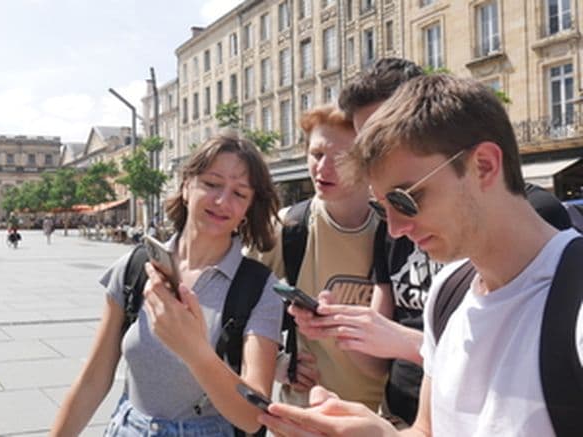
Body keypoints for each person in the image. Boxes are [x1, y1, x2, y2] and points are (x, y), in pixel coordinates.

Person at [259, 74, 583, 437]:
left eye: (405, 199)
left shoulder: (573, 302)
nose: (396, 229)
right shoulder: (448, 292)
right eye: (382, 209)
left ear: (485, 165)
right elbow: (428, 430)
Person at [50, 135, 284, 436]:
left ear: (248, 208)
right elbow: (93, 378)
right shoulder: (135, 268)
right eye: (212, 184)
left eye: (239, 193)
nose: (223, 201)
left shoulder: (259, 288)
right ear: (187, 185)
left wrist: (195, 351)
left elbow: (255, 416)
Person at [255, 105, 386, 412]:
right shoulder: (288, 227)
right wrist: (277, 363)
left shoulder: (399, 231)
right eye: (316, 154)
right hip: (305, 418)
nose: (322, 168)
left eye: (341, 157)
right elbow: (233, 302)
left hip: (383, 421)